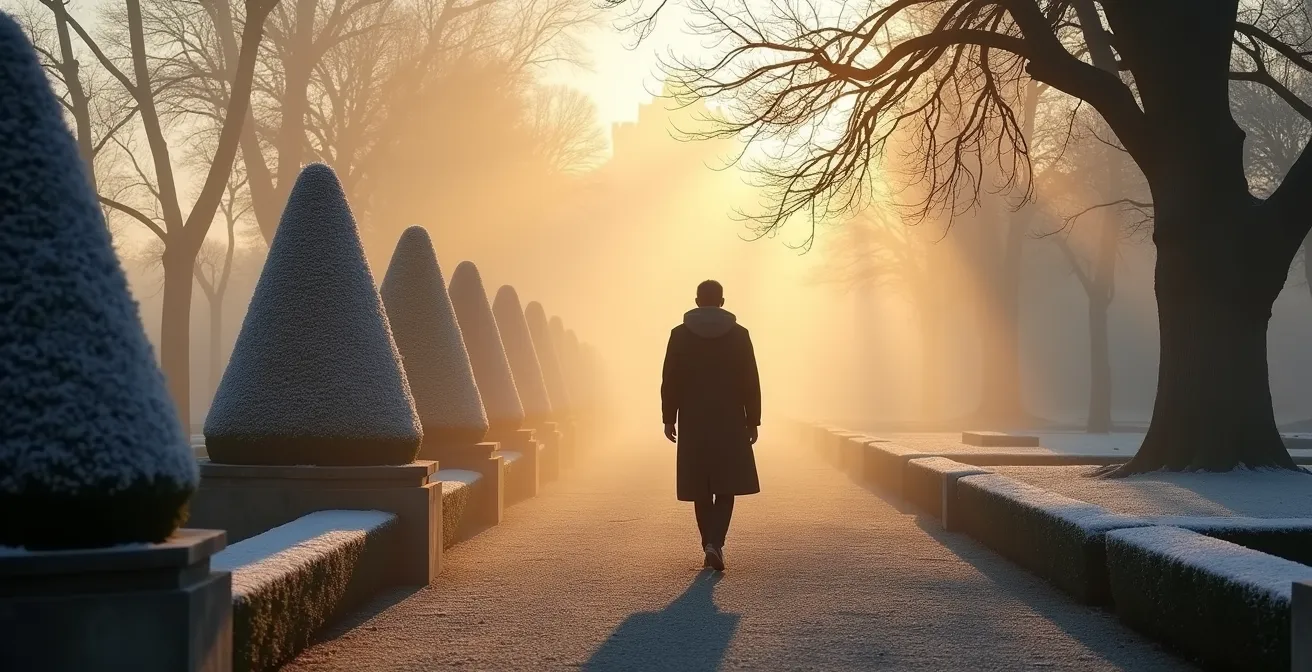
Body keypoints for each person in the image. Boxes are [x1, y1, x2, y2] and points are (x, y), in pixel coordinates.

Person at [661, 279, 761, 572]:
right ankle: (716, 541)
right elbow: (750, 380)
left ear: (696, 300)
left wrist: (669, 417)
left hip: (693, 418)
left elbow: (670, 380)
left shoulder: (679, 335)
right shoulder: (739, 335)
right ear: (722, 301)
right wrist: (752, 419)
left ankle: (709, 541)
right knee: (726, 483)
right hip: (729, 417)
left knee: (700, 484)